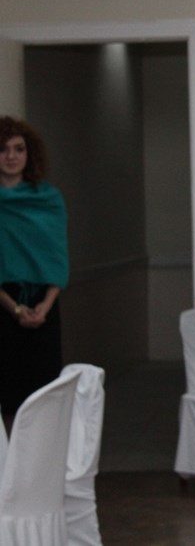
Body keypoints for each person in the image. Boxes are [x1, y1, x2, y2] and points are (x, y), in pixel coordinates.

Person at [0, 116, 69, 434]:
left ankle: (39, 473)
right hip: (3, 304)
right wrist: (13, 308)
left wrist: (43, 305)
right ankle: (10, 473)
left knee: (44, 391)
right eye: (2, 149)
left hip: (44, 303)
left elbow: (56, 256)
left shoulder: (48, 199)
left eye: (18, 149)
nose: (11, 156)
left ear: (29, 154)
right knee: (8, 393)